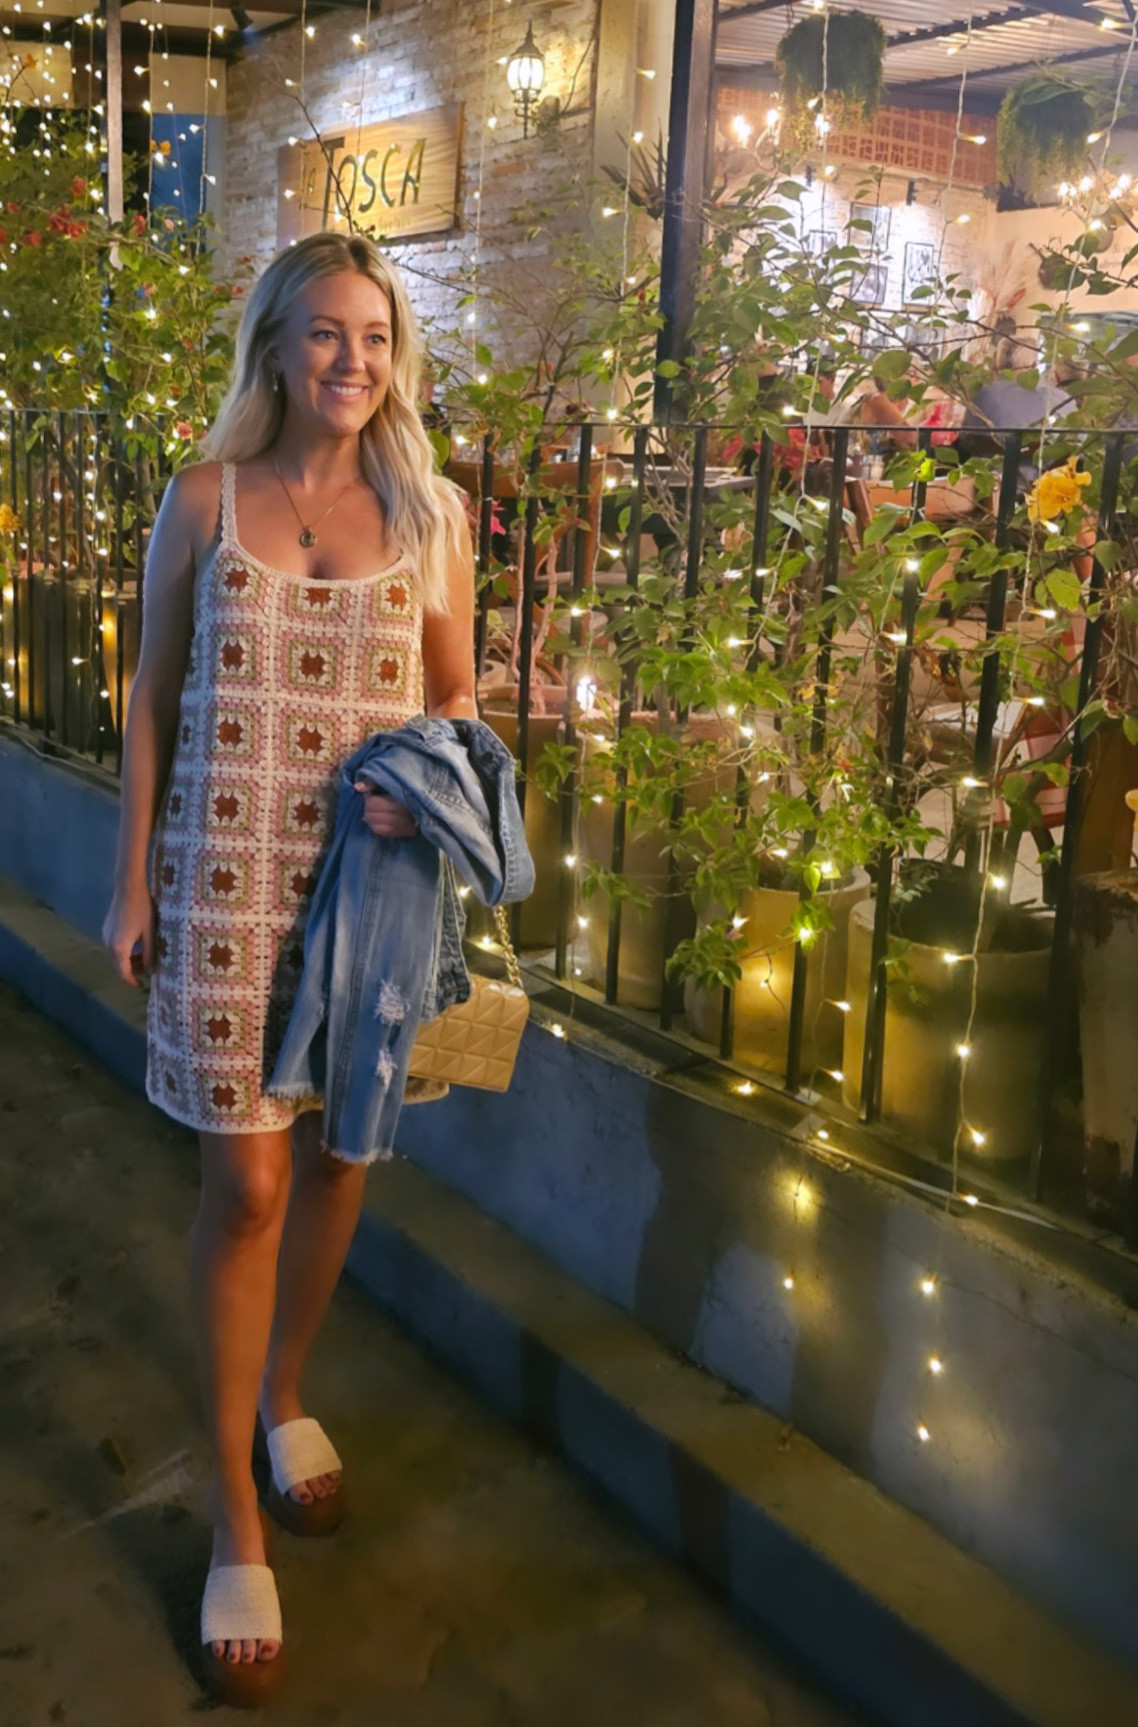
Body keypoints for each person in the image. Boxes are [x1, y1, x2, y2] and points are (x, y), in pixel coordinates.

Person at [101, 230, 476, 1705]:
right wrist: (126, 875)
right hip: (220, 875)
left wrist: (425, 781)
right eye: (325, 334)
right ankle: (235, 1518)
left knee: (336, 1163)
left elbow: (455, 693)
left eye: (375, 339)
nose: (351, 363)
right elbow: (150, 693)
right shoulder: (205, 501)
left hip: (372, 891)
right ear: (273, 345)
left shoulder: (427, 509)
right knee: (245, 1179)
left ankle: (287, 1393)